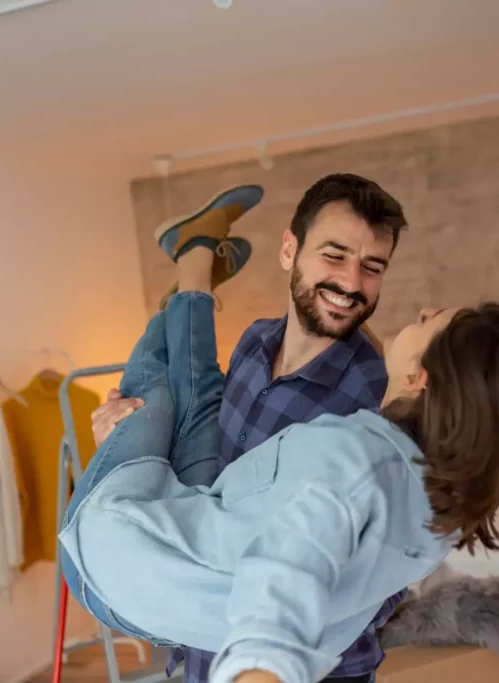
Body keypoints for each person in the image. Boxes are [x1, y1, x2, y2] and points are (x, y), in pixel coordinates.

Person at [59, 216, 499, 683]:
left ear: (421, 377)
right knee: (195, 404)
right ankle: (186, 293)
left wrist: (263, 667)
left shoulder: (359, 458)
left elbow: (289, 569)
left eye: (432, 321)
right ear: (292, 254)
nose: (420, 312)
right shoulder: (434, 513)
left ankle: (185, 284)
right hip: (180, 584)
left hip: (106, 551)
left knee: (153, 396)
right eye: (334, 256)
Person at [91, 174, 412, 683]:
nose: (352, 283)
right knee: (182, 394)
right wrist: (125, 434)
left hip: (299, 666)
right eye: (334, 255)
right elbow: (203, 459)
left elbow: (390, 569)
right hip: (204, 649)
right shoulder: (255, 341)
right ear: (289, 250)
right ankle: (193, 267)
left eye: (372, 267)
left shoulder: (377, 395)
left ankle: (195, 262)